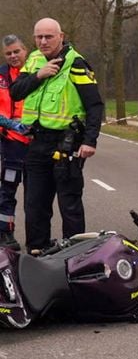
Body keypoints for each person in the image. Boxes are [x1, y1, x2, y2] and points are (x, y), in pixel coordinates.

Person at [9, 19, 104, 254]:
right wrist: (38, 75)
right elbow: (15, 92)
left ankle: (73, 256)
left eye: (48, 37)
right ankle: (37, 252)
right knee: (35, 205)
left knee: (69, 204)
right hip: (37, 141)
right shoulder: (33, 60)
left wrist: (90, 141)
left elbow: (94, 105)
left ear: (61, 35)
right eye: (39, 37)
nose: (43, 41)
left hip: (66, 143)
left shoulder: (76, 62)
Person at [0, 35, 30, 249]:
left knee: (36, 193)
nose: (13, 56)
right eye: (8, 53)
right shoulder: (1, 76)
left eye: (16, 51)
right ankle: (5, 233)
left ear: (25, 50)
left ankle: (38, 238)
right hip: (11, 142)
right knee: (8, 188)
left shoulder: (37, 72)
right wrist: (12, 125)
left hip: (37, 143)